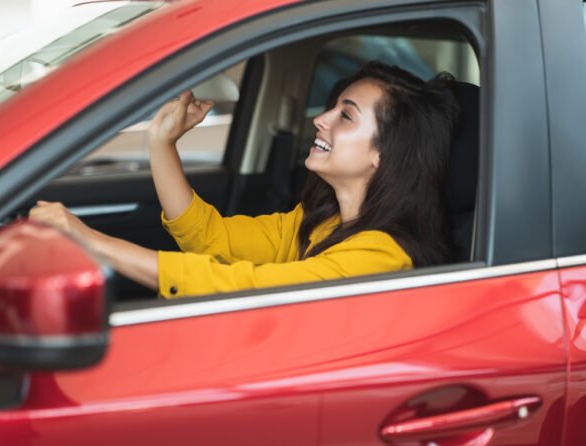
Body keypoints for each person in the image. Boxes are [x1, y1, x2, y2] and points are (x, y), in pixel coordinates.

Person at [29, 61, 460, 298]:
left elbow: (244, 287)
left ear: (383, 156)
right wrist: (162, 144)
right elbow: (212, 237)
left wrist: (89, 240)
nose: (320, 119)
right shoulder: (318, 222)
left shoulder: (382, 257)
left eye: (345, 115)